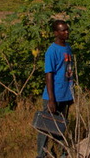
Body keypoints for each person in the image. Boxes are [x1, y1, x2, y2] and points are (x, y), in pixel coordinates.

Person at [36, 20, 74, 158]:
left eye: (67, 29)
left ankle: (61, 153)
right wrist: (51, 99)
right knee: (45, 129)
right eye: (63, 30)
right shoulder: (52, 51)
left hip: (65, 95)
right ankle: (41, 155)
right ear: (56, 33)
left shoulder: (68, 48)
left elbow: (69, 72)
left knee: (60, 128)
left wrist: (71, 94)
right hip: (53, 96)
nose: (66, 32)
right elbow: (49, 75)